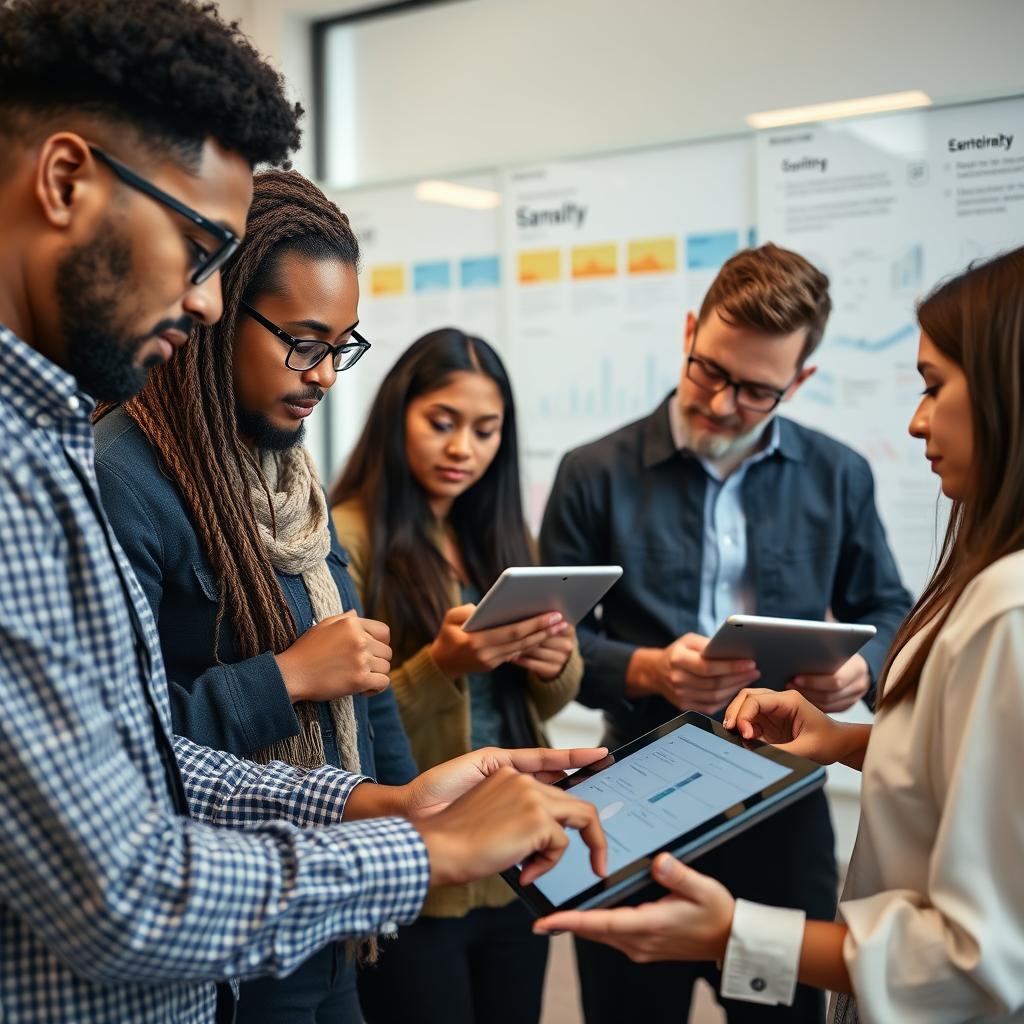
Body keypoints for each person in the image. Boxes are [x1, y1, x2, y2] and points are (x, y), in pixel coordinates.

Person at [0, 3, 608, 1022]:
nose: (203, 302)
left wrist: (377, 801)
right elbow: (122, 890)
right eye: (197, 247)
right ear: (65, 180)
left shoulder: (53, 439)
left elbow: (137, 758)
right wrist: (418, 848)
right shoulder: (60, 469)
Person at [536, 246, 1024, 1024]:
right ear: (690, 332)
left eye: (758, 390)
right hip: (634, 790)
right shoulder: (591, 471)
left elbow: (888, 606)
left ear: (800, 381)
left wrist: (863, 668)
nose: (723, 403)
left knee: (786, 1009)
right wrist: (648, 670)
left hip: (780, 791)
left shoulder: (839, 474)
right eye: (709, 371)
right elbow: (549, 653)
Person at [93, 168, 421, 1023]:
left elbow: (362, 678)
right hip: (227, 931)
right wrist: (288, 678)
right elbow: (119, 750)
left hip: (334, 911)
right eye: (304, 343)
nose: (326, 375)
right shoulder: (124, 477)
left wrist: (416, 815)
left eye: (342, 346)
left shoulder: (289, 477)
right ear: (219, 315)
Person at [330, 327, 584, 1024]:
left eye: (485, 430)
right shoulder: (345, 537)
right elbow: (341, 734)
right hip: (420, 861)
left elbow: (546, 702)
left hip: (518, 855)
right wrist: (441, 665)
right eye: (442, 422)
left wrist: (556, 664)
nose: (462, 449)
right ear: (397, 416)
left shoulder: (500, 534)